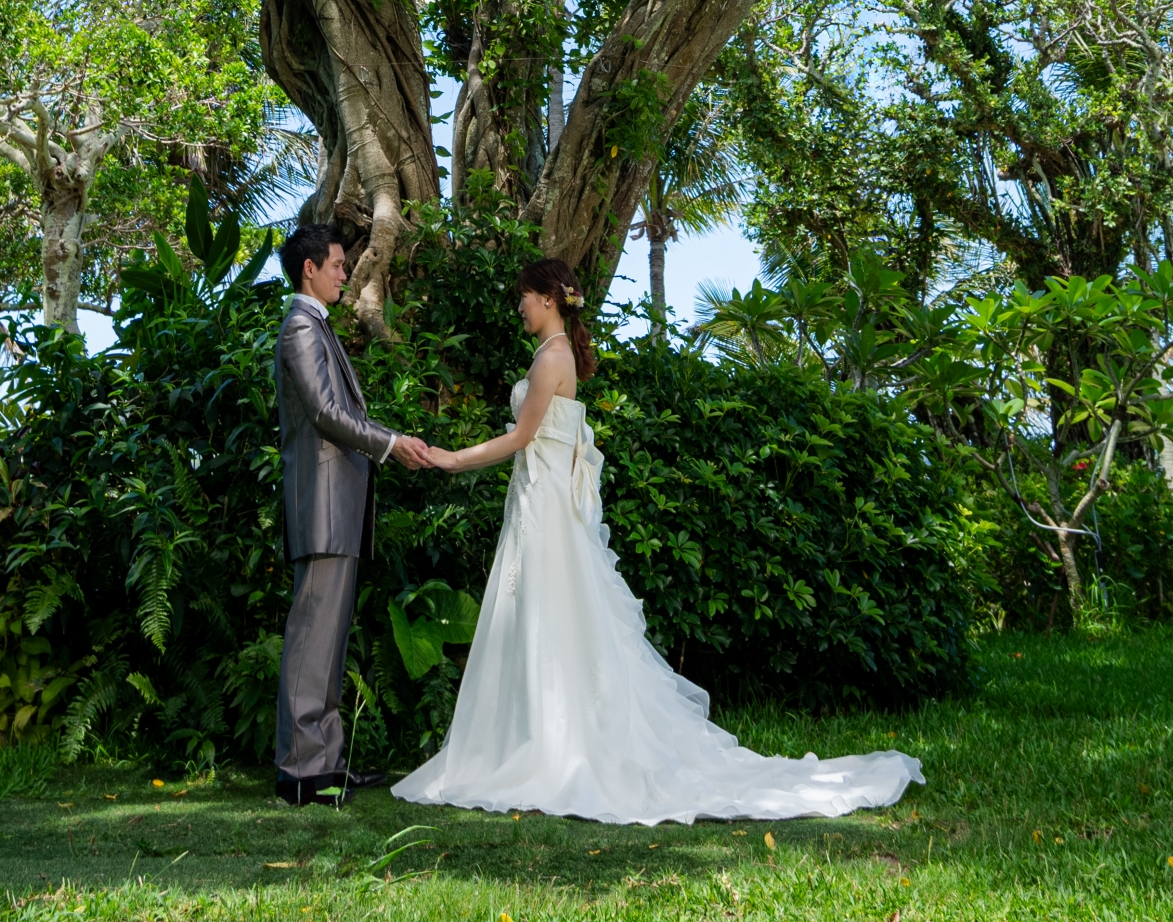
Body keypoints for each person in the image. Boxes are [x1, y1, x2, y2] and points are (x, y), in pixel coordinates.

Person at [392, 256, 924, 823]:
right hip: (539, 504)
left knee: (551, 619)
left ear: (548, 298)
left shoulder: (552, 359)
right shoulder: (551, 355)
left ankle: (557, 747)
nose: (518, 305)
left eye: (523, 295)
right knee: (545, 623)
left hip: (545, 509)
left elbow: (523, 437)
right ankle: (541, 737)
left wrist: (451, 459)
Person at [273, 219, 430, 806]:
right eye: (338, 264)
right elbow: (327, 415)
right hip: (321, 506)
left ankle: (326, 764)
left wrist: (389, 441)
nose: (346, 272)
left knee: (328, 641)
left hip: (337, 506)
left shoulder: (316, 327)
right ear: (309, 269)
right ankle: (300, 774)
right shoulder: (300, 329)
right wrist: (392, 443)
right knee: (312, 638)